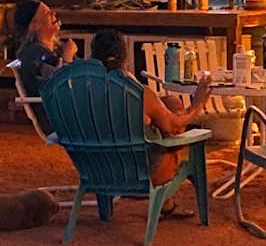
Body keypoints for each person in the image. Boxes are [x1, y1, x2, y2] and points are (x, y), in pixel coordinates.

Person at [88, 28, 213, 185]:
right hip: (140, 174)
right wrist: (198, 104)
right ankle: (167, 186)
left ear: (92, 54)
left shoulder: (82, 90)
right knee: (171, 131)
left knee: (171, 104)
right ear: (124, 56)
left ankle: (166, 204)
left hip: (97, 169)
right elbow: (173, 125)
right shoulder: (136, 93)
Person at [13, 0, 75, 96]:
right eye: (46, 13)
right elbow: (57, 88)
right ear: (34, 25)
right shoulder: (33, 54)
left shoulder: (56, 50)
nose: (53, 13)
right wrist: (67, 57)